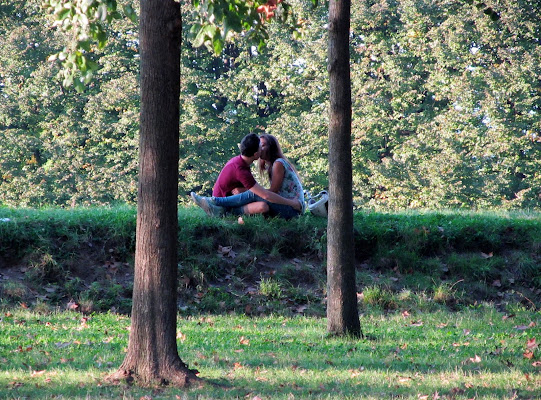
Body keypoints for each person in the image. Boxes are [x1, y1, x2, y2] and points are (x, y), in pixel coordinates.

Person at [191, 133, 302, 217]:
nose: (261, 148)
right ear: (255, 154)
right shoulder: (241, 167)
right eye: (260, 145)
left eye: (263, 145)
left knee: (254, 194)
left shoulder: (278, 163)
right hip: (288, 206)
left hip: (293, 208)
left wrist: (292, 203)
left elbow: (269, 194)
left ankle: (213, 201)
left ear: (271, 148)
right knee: (261, 204)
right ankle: (221, 209)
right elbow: (267, 194)